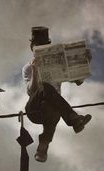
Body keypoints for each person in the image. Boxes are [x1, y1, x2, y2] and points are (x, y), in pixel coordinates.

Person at [22, 26, 92, 162]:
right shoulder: (27, 68)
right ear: (33, 48)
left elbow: (78, 80)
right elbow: (31, 91)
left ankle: (43, 147)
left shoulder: (57, 63)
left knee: (53, 109)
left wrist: (85, 62)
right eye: (38, 46)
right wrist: (35, 71)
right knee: (46, 87)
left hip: (50, 110)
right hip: (34, 109)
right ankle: (73, 118)